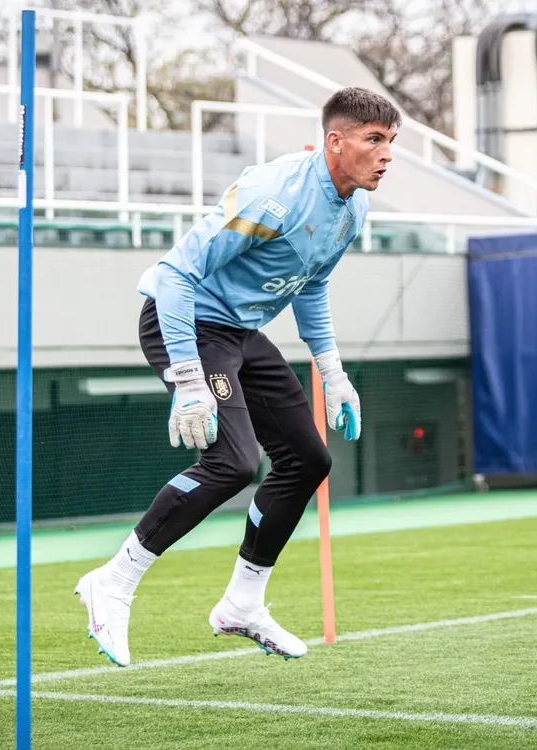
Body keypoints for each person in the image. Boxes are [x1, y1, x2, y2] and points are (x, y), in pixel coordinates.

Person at [75, 86, 401, 667]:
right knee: (232, 462)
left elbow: (313, 285)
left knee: (309, 459)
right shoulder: (273, 196)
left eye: (390, 142)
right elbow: (175, 276)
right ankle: (114, 581)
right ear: (336, 141)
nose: (386, 154)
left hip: (240, 331)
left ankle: (242, 604)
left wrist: (333, 371)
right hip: (186, 320)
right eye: (374, 140)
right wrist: (190, 379)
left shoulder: (353, 208)